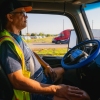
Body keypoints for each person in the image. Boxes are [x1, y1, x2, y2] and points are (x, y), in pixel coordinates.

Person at [0, 0, 90, 100]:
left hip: (41, 78)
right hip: (31, 92)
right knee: (83, 97)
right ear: (10, 17)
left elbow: (31, 53)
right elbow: (18, 82)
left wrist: (46, 66)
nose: (26, 16)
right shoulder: (7, 44)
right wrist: (55, 89)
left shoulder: (16, 38)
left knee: (61, 71)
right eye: (22, 13)